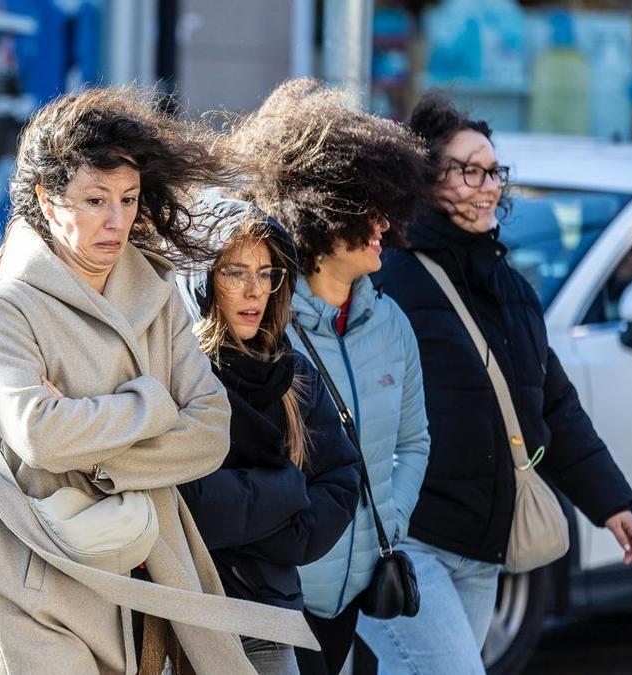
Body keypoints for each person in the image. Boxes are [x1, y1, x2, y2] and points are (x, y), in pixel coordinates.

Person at [0, 87, 316, 675]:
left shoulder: (156, 291)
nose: (116, 220)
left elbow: (209, 430)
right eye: (95, 199)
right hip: (35, 573)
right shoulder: (7, 307)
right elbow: (40, 437)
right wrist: (152, 403)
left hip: (147, 565)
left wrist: (97, 456)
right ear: (48, 201)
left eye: (128, 199)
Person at [357, 92, 632, 673]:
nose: (488, 185)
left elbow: (553, 403)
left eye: (494, 171)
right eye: (470, 170)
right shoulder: (394, 281)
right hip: (408, 541)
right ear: (426, 179)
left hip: (482, 547)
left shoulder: (511, 288)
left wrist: (609, 501)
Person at [228, 79, 432, 675]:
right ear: (319, 211)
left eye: (386, 206)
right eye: (364, 206)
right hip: (280, 589)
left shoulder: (391, 323)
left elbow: (414, 441)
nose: (382, 224)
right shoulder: (263, 329)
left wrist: (386, 518)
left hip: (357, 586)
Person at [176, 198, 361, 675]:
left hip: (271, 615)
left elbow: (340, 478)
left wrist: (287, 537)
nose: (254, 290)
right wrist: (287, 489)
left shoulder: (294, 372)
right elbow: (190, 503)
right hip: (189, 615)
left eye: (267, 274)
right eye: (235, 272)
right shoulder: (180, 374)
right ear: (205, 278)